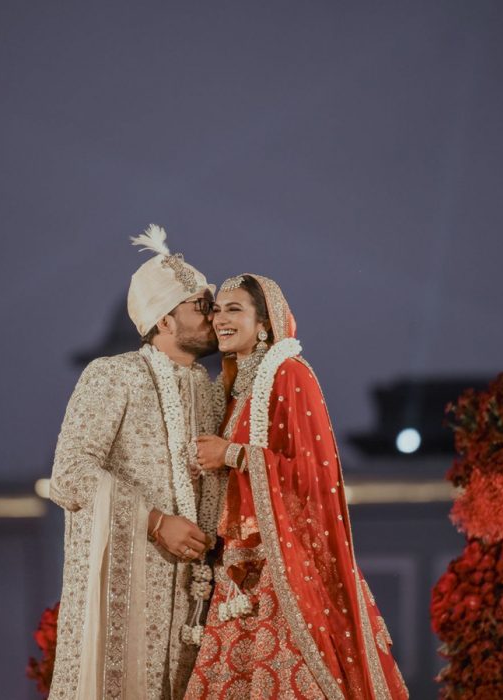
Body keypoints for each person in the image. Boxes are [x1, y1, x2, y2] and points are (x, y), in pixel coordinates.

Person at [186, 274, 409, 699]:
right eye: (217, 309)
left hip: (283, 569)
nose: (220, 318)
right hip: (237, 572)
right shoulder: (235, 388)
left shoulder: (290, 373)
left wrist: (230, 454)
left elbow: (312, 475)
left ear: (264, 321)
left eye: (235, 309)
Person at [48, 225, 226, 699]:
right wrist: (154, 522)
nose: (213, 314)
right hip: (127, 599)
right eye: (199, 305)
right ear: (164, 320)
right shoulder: (115, 376)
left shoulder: (214, 394)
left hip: (200, 606)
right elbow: (70, 475)